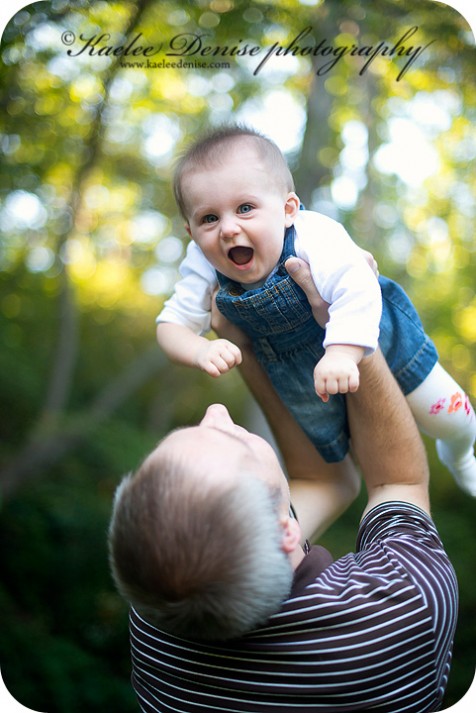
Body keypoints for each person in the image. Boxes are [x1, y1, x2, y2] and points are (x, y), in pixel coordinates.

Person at [108, 263, 459, 712]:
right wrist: (349, 328)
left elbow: (325, 482)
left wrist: (247, 348)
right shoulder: (401, 609)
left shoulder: (161, 616)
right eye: (226, 438)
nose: (216, 411)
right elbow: (398, 480)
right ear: (285, 534)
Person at [156, 124, 476, 500]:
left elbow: (358, 286)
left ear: (288, 209)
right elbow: (170, 325)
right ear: (191, 232)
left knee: (451, 418)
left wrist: (342, 351)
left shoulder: (314, 236)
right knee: (350, 453)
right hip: (304, 379)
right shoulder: (202, 263)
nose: (227, 229)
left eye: (245, 208)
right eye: (209, 218)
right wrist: (200, 349)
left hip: (382, 345)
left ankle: (461, 455)